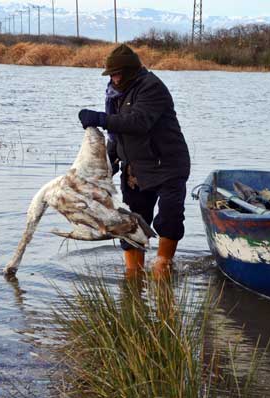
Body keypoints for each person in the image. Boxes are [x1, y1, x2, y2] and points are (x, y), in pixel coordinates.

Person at [78, 44, 190, 278]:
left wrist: (100, 118)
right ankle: (133, 274)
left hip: (167, 165)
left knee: (169, 217)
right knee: (130, 223)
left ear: (130, 71)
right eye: (111, 75)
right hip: (135, 170)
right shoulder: (116, 94)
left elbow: (138, 122)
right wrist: (109, 163)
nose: (114, 79)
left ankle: (162, 266)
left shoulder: (152, 87)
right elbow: (118, 135)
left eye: (117, 74)